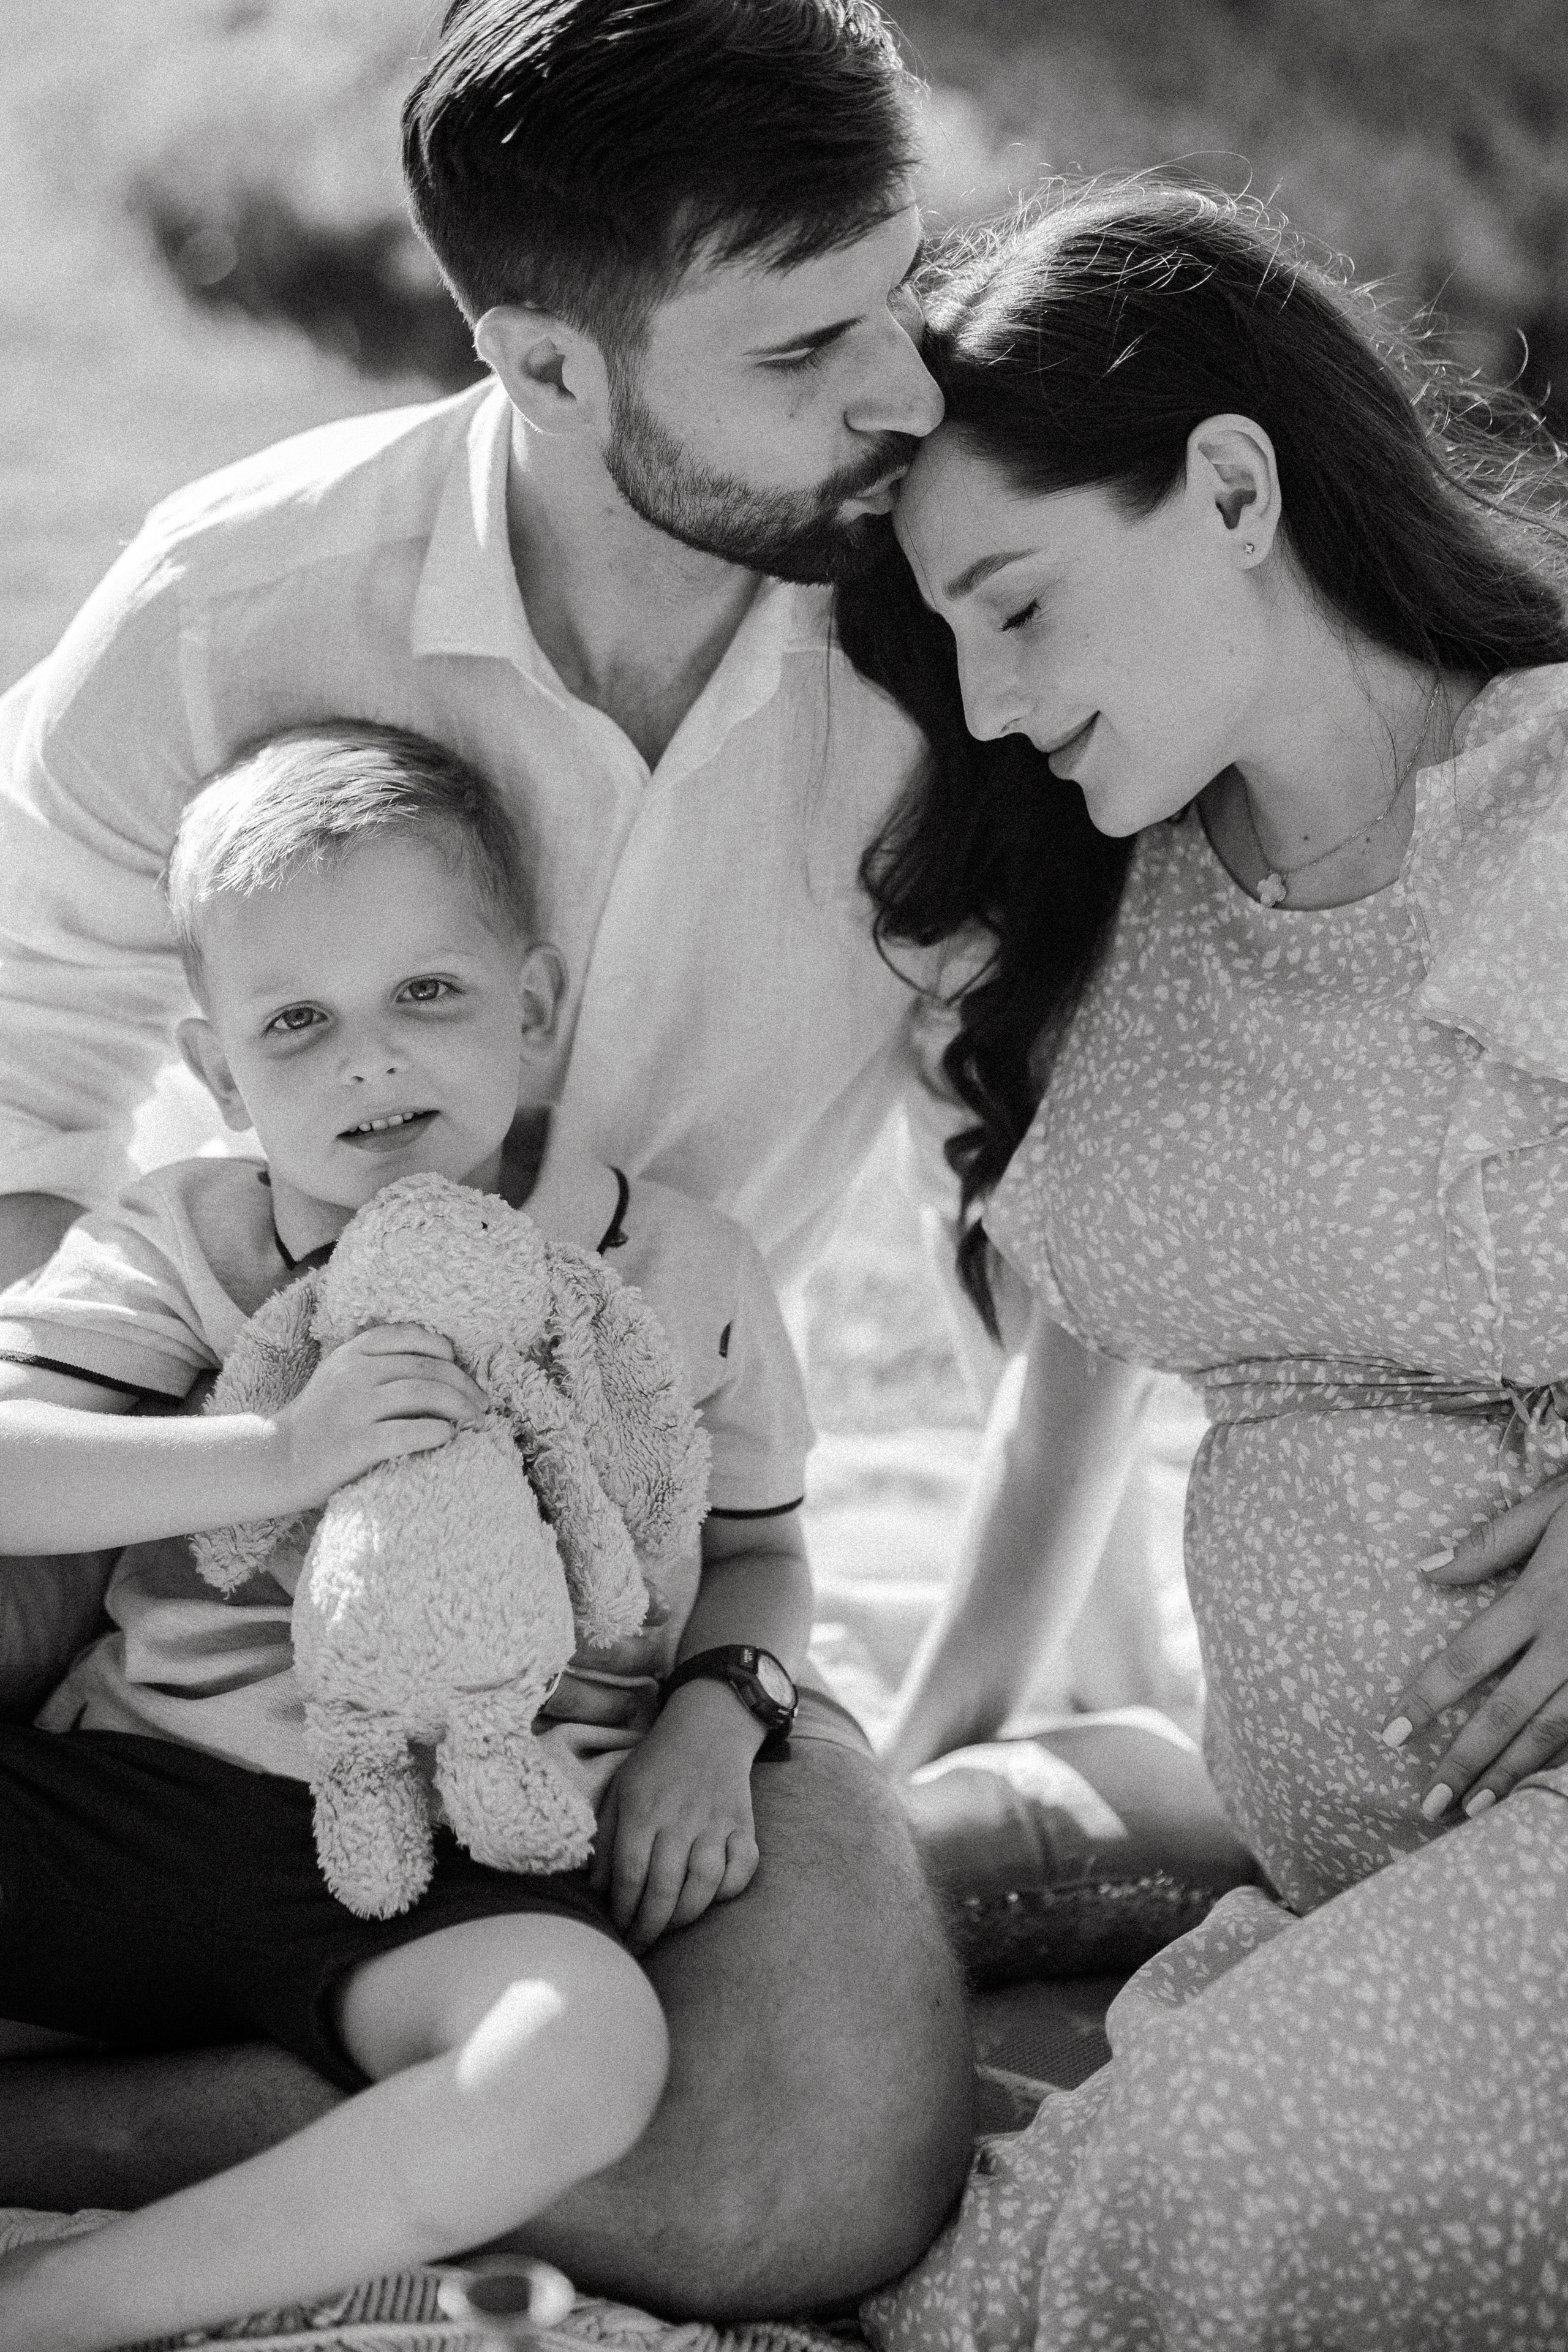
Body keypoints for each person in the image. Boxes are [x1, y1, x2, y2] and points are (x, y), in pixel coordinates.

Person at [0, 0, 974, 2313]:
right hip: (174, 1460)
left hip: (622, 1618)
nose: (911, 396)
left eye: (904, 292)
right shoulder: (238, 597)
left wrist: (750, 1693)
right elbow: (20, 1044)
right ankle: (368, 2106)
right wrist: (162, 1436)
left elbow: (1063, 1145)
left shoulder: (960, 636)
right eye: (804, 347)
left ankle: (183, 2124)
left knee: (818, 2174)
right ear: (544, 364)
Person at [840, 182, 1568, 2345]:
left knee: (1170, 2212)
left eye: (1016, 607)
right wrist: (919, 1755)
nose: (986, 705)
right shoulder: (1131, 894)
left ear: (1233, 489)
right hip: (1360, 1866)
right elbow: (1074, 1369)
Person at [0, 719, 842, 2345]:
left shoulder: (681, 1269)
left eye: (428, 994)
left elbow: (763, 1550)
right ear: (217, 1072)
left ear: (533, 1006)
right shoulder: (187, 1238)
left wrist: (719, 1718)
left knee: (584, 2047)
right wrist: (279, 1453)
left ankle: (64, 2302)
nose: (369, 1062)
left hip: (449, 1854)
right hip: (134, 1792)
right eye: (297, 1023)